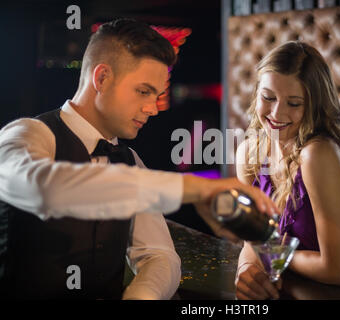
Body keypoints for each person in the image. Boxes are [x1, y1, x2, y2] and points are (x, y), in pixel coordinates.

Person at [0, 18, 279, 300]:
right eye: (143, 91)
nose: (153, 108)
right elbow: (48, 191)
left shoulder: (129, 159)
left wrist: (140, 296)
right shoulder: (25, 135)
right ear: (102, 78)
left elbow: (161, 256)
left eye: (157, 95)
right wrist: (200, 189)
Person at [234, 41, 340, 300]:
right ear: (257, 93)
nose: (277, 113)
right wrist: (246, 270)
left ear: (313, 106)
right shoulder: (249, 154)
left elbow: (337, 271)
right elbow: (255, 241)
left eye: (294, 103)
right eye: (268, 97)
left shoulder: (318, 155)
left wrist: (277, 255)